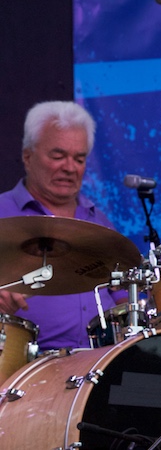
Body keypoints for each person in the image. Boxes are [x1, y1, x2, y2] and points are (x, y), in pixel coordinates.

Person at [0, 101, 128, 350]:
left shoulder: (98, 222)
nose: (70, 168)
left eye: (79, 159)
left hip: (98, 364)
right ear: (28, 157)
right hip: (25, 371)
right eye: (58, 156)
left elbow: (122, 293)